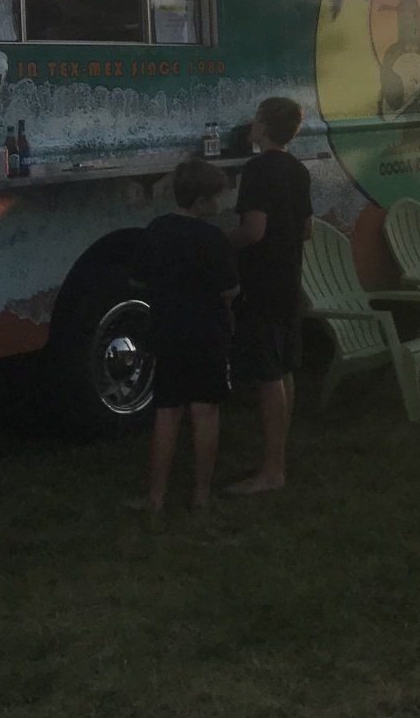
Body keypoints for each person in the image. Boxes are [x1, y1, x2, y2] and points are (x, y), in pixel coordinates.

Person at [132, 159, 238, 513]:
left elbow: (142, 276)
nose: (220, 203)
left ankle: (156, 497)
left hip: (167, 332)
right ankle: (201, 495)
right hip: (207, 335)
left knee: (168, 411)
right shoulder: (213, 238)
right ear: (201, 202)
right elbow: (230, 290)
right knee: (205, 411)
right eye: (216, 197)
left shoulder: (157, 229)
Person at [227, 96, 312, 495]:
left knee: (267, 374)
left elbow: (254, 230)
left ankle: (272, 471)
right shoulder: (298, 169)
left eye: (256, 118)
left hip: (262, 279)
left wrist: (220, 243)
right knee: (284, 368)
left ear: (262, 125)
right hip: (290, 277)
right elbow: (307, 228)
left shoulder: (258, 169)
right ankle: (275, 457)